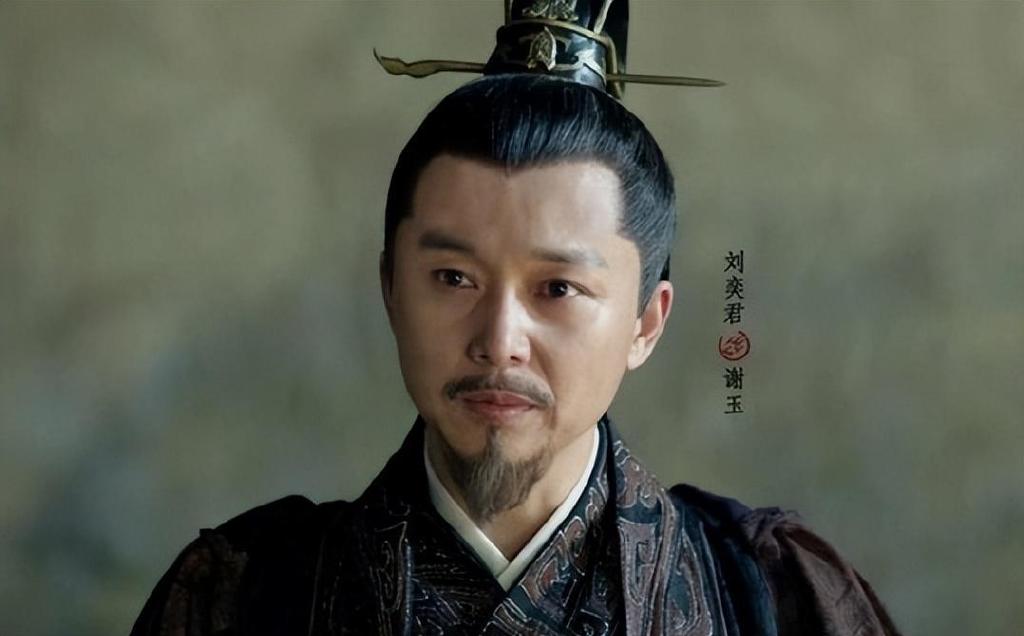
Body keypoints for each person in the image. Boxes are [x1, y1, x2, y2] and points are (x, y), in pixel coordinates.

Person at [132, 2, 901, 635]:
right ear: (391, 288)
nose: (499, 341)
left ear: (646, 321)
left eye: (557, 288)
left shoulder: (770, 594)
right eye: (453, 278)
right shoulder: (244, 594)